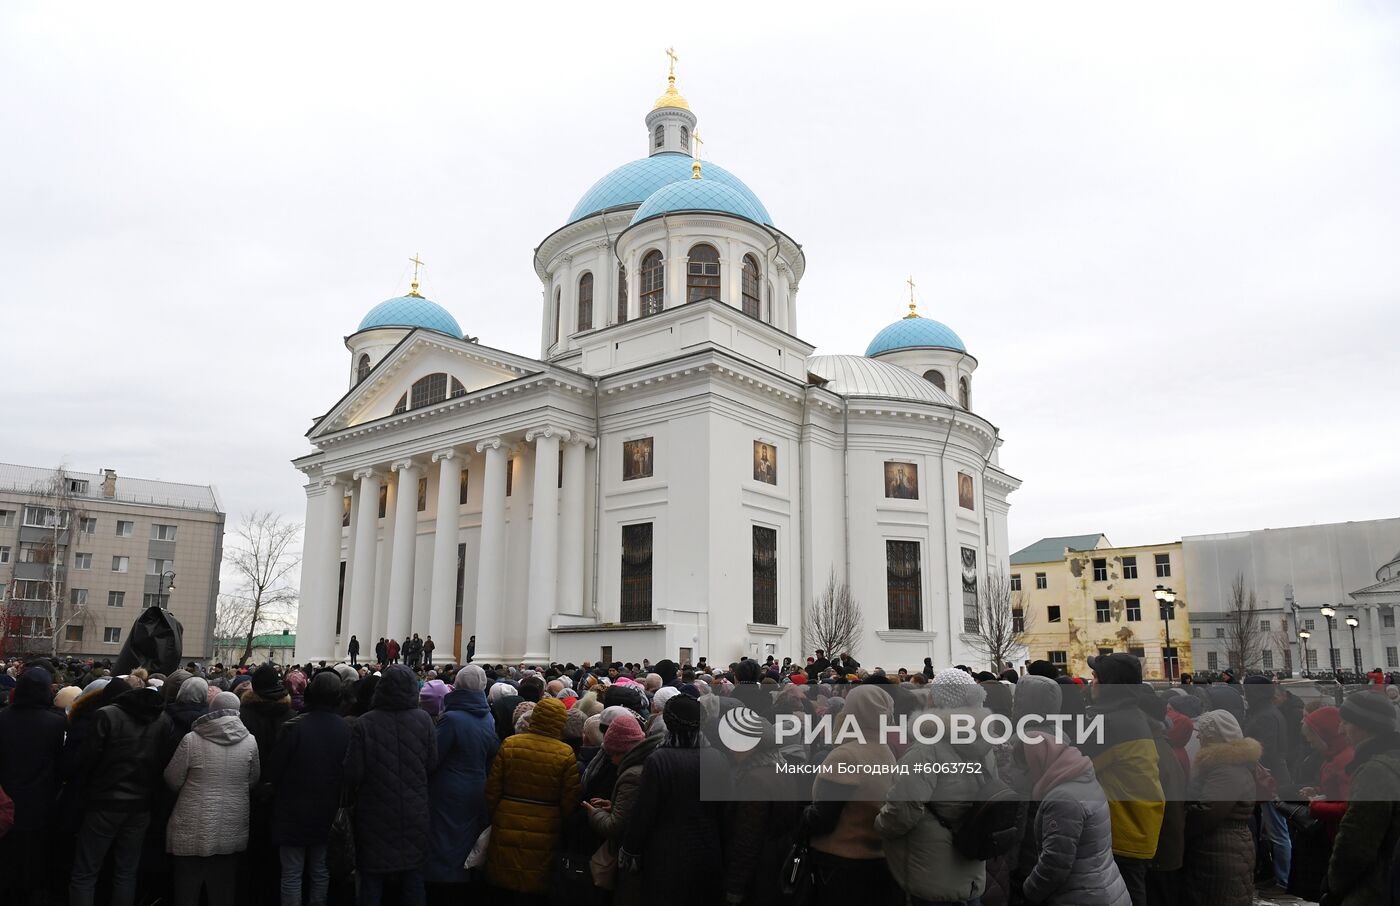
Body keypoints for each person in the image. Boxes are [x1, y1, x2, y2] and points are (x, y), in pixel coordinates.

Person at [877, 667, 999, 906]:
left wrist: (879, 825)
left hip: (930, 871)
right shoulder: (984, 745)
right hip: (971, 863)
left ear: (936, 699)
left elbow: (903, 810)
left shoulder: (926, 749)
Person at [69, 678, 174, 906]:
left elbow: (87, 760)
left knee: (85, 872)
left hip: (104, 803)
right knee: (126, 871)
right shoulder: (161, 719)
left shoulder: (106, 715)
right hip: (140, 805)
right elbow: (163, 762)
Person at [619, 693, 729, 905]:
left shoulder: (659, 759)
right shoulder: (717, 758)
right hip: (709, 849)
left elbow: (644, 812)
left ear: (668, 723)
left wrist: (631, 849)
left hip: (665, 853)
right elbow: (725, 812)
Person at [344, 664, 438, 906]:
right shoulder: (424, 720)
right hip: (414, 809)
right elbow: (432, 763)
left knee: (372, 877)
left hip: (374, 811)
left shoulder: (365, 723)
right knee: (413, 875)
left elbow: (353, 772)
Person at [163, 690, 260, 906]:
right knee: (223, 890)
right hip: (231, 823)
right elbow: (252, 779)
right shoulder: (250, 742)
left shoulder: (192, 739)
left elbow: (172, 778)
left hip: (191, 823)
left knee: (186, 890)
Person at [803, 684, 898, 904]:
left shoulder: (846, 755)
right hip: (876, 858)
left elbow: (823, 817)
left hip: (840, 862)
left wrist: (796, 816)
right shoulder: (884, 750)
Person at [1082, 654, 1164, 906]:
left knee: (1125, 895)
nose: (1090, 682)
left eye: (1096, 677)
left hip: (1123, 831)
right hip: (1137, 827)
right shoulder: (1130, 714)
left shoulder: (1111, 723)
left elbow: (1077, 766)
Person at [266, 671, 350, 906]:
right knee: (320, 871)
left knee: (292, 873)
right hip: (328, 812)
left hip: (292, 811)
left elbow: (274, 770)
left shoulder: (294, 727)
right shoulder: (345, 729)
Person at [1020, 730, 1131, 905]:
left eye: (1026, 766)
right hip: (1101, 888)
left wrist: (1028, 891)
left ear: (1039, 761)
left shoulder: (1063, 799)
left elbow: (1055, 864)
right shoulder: (1082, 780)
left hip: (1082, 895)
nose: (1025, 773)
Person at [484, 695, 580, 896]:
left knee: (504, 875)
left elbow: (493, 787)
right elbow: (569, 798)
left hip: (507, 816)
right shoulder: (565, 753)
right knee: (536, 877)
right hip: (547, 823)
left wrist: (496, 811)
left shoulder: (511, 743)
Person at [1324, 690, 1400, 905]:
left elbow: (1356, 843)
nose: (1340, 730)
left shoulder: (1375, 771)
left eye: (1345, 723)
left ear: (1364, 726)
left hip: (1375, 890)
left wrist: (1334, 885)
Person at [426, 665, 498, 889]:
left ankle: (441, 886)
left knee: (444, 840)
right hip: (476, 786)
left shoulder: (452, 718)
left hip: (448, 789)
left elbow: (433, 757)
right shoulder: (488, 718)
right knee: (466, 839)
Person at [0, 665, 67, 903]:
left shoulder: (3, 717)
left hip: (4, 801)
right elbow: (59, 765)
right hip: (38, 802)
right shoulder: (56, 723)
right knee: (32, 859)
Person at [1181, 710, 1259, 906]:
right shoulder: (1229, 765)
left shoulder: (1225, 769)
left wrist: (1179, 822)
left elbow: (1209, 811)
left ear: (1214, 736)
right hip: (1225, 847)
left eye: (1202, 732)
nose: (1197, 736)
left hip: (1219, 850)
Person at [586, 714, 658, 906]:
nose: (611, 760)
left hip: (633, 863)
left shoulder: (633, 775)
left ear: (623, 751)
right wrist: (613, 805)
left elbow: (616, 826)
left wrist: (595, 814)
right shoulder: (645, 762)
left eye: (613, 754)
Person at [1242, 676, 1291, 890]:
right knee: (1274, 830)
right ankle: (1279, 875)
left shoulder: (1265, 715)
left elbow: (1266, 749)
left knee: (1278, 831)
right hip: (1271, 775)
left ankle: (1283, 879)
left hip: (1271, 778)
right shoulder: (1267, 711)